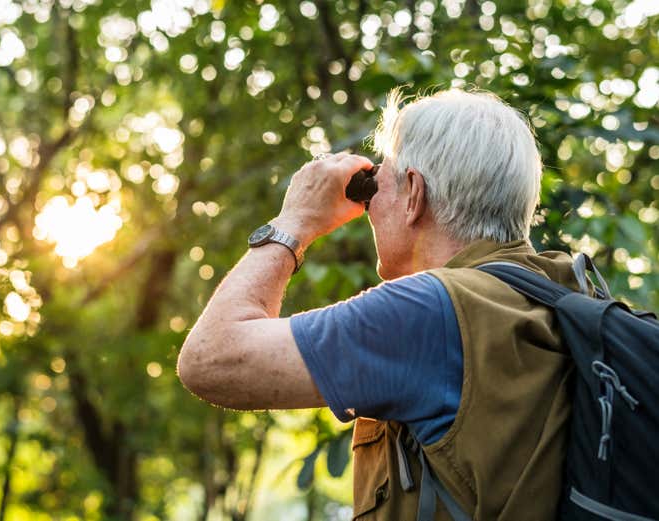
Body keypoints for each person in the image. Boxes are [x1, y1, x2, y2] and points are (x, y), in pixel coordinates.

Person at [177, 88, 578, 520]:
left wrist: (294, 221)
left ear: (413, 194)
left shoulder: (428, 312)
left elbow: (210, 359)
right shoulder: (562, 293)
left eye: (375, 187)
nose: (368, 209)